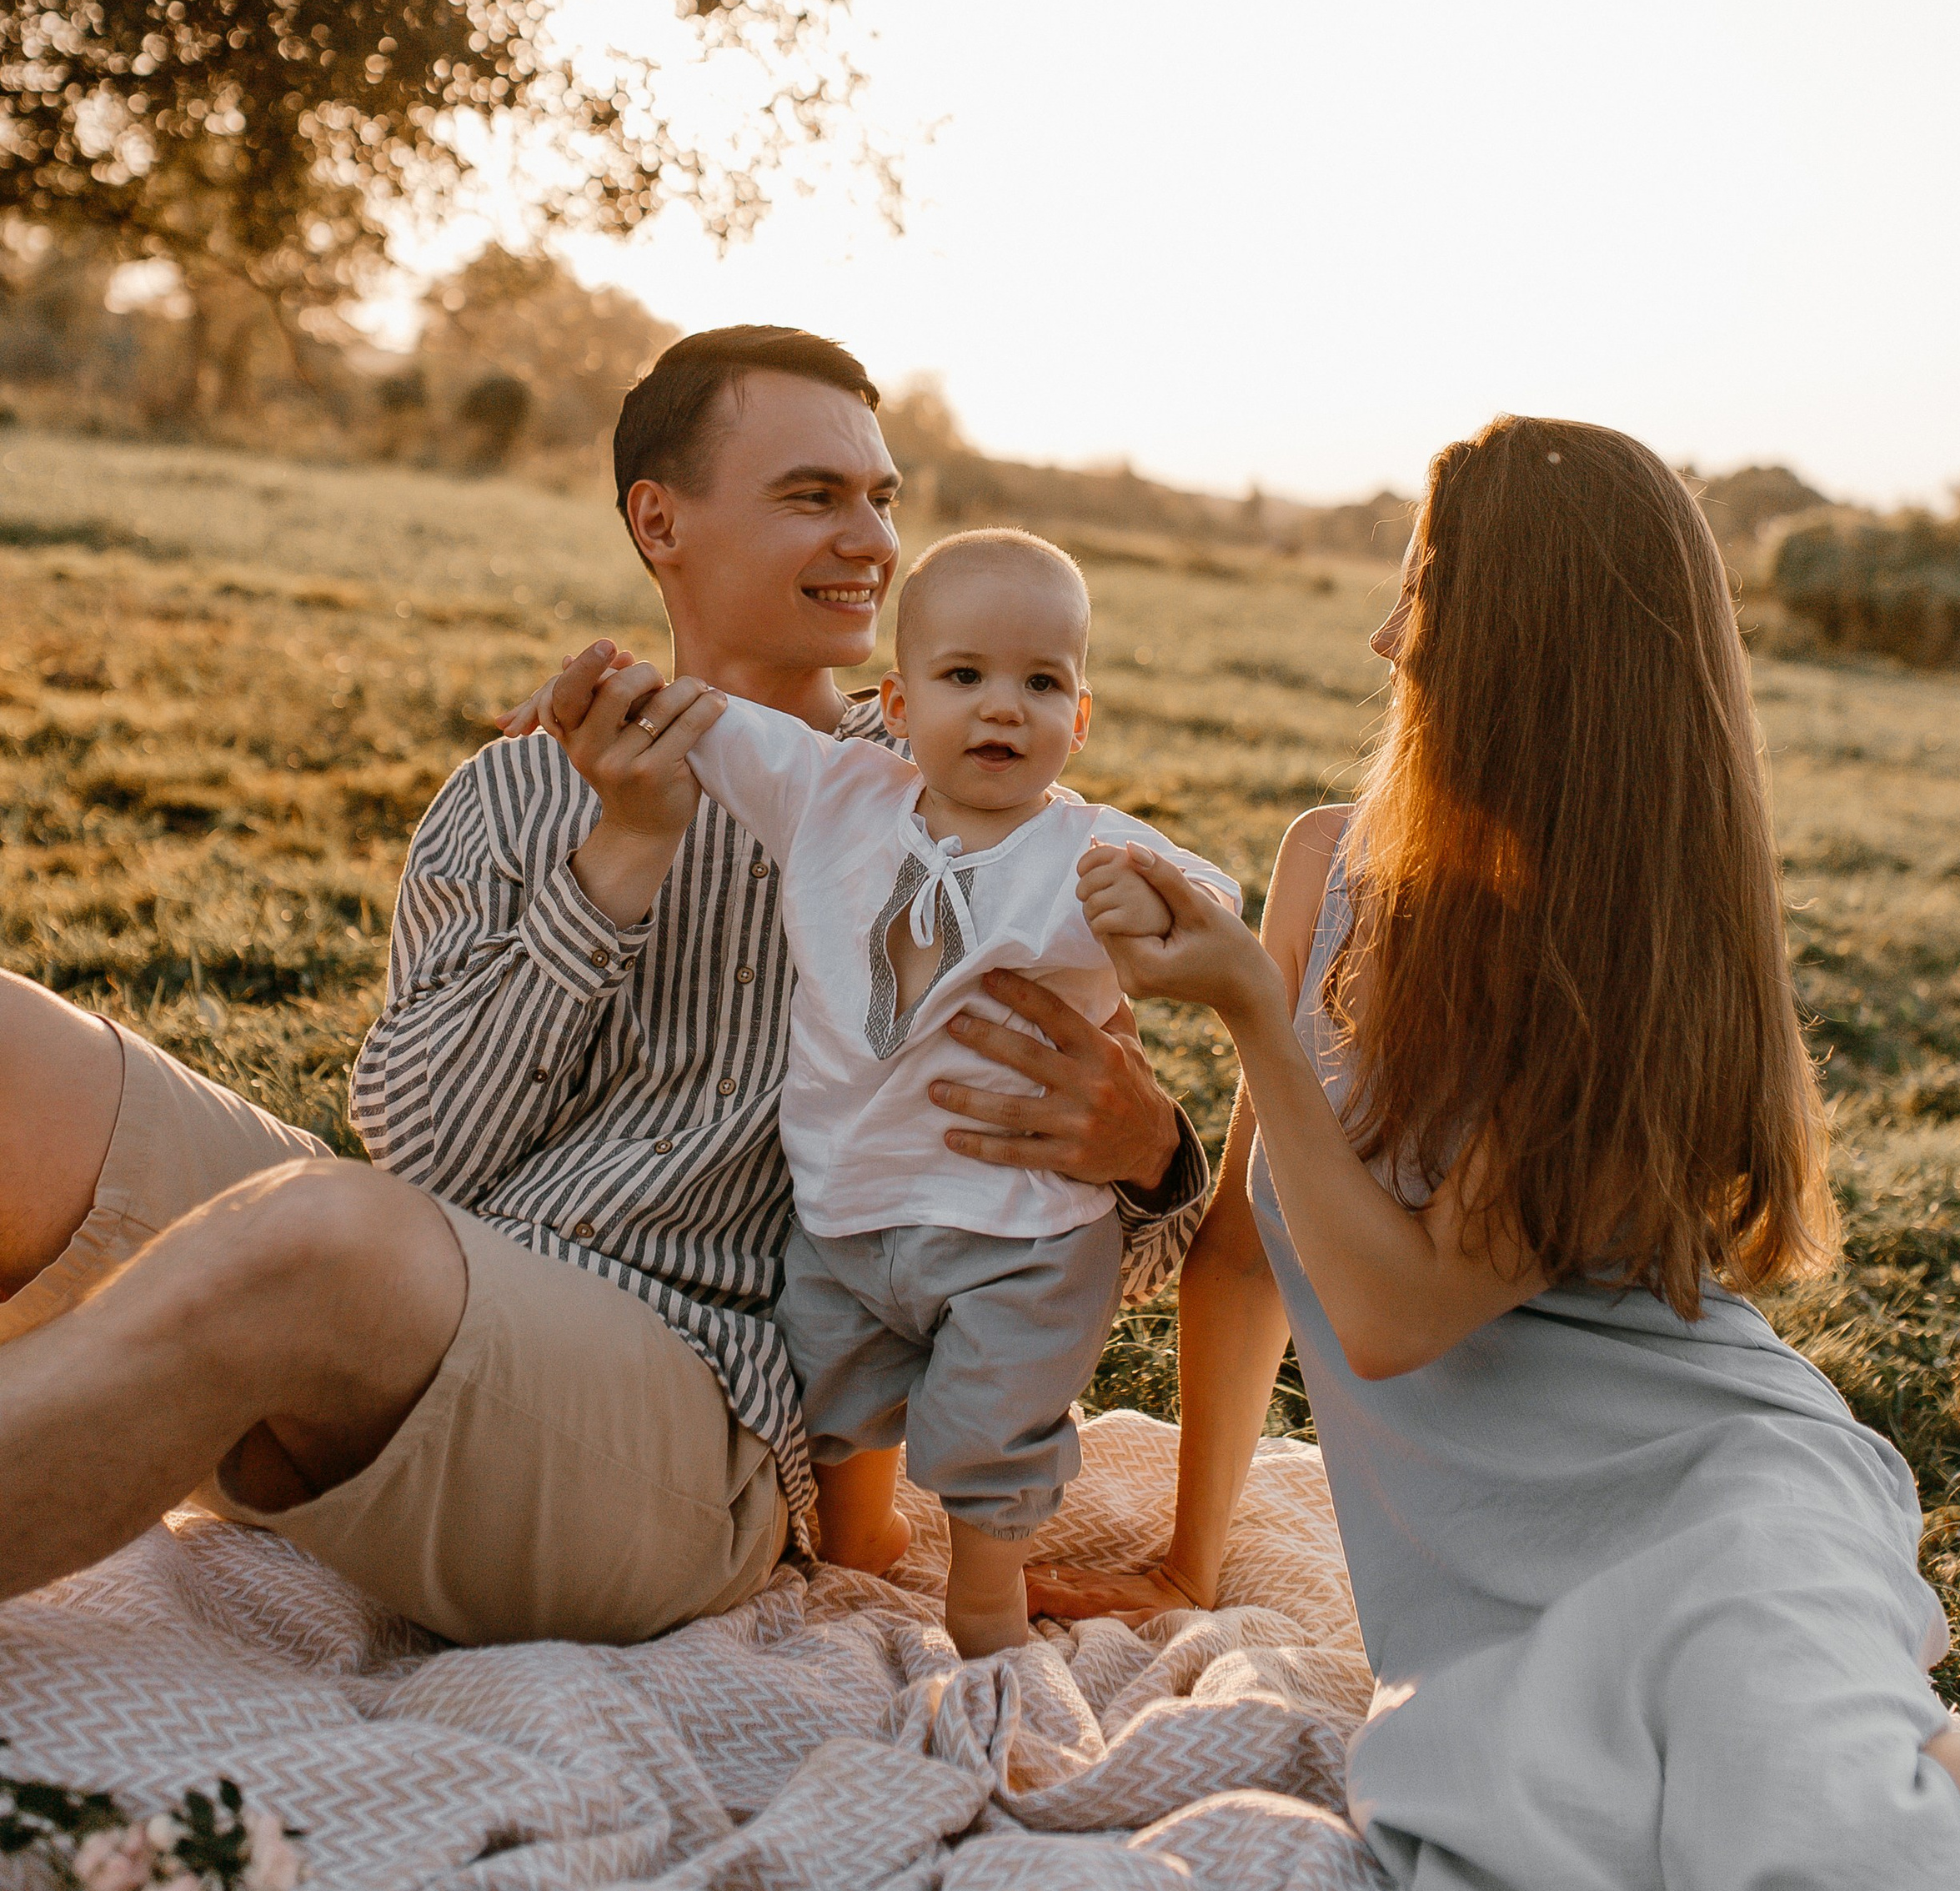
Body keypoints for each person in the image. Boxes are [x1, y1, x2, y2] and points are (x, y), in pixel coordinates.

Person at [1059, 415, 1960, 1891]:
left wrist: (1255, 1016)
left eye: (1425, 594)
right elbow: (1251, 1261)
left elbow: (1398, 1316)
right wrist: (1190, 1563)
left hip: (1705, 1505)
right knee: (1533, 1867)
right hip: (1494, 1591)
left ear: (1524, 649)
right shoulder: (1325, 865)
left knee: (1820, 1873)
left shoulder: (1601, 949)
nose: (1383, 637)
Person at [0, 327, 1207, 1645]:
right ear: (660, 521)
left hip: (686, 1417)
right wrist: (620, 857)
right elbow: (423, 1151)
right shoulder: (523, 785)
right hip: (415, 1301)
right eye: (814, 496)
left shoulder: (978, 814)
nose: (871, 540)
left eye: (883, 498)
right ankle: (147, 1397)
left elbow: (1065, 1258)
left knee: (325, 1233)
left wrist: (1149, 1154)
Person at [534, 524, 1240, 1657]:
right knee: (832, 1384)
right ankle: (860, 1540)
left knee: (992, 1424)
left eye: (1041, 683)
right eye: (965, 676)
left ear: (1080, 719)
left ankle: (985, 1599)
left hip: (1021, 1232)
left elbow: (1215, 898)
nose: (1003, 707)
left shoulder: (1088, 852)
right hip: (848, 1208)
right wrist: (613, 691)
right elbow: (715, 725)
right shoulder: (834, 796)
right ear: (898, 707)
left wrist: (1151, 903)